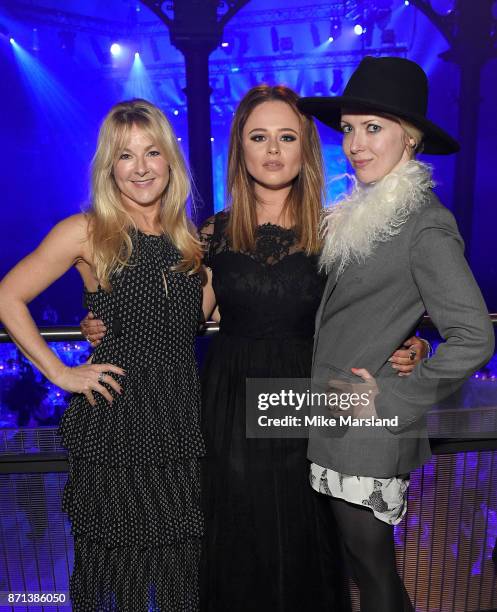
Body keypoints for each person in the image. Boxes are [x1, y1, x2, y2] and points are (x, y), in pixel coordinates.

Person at [82, 86, 427, 611]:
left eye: (286, 137)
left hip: (311, 401)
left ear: (305, 148)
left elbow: (377, 310)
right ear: (239, 148)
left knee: (309, 536)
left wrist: (414, 344)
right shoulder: (210, 234)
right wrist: (105, 320)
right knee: (240, 540)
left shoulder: (339, 230)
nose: (272, 150)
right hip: (230, 402)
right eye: (258, 137)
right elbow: (183, 316)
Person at [297, 56, 495, 611]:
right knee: (368, 571)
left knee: (375, 576)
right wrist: (412, 341)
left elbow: (475, 335)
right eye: (349, 129)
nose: (356, 143)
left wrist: (396, 395)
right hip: (336, 426)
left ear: (410, 140)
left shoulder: (424, 222)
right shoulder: (370, 212)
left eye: (374, 128)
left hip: (369, 432)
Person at [0, 99, 205, 611]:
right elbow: (8, 296)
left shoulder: (191, 241)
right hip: (117, 419)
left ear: (169, 161)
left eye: (152, 152)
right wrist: (61, 373)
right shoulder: (87, 231)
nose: (140, 167)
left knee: (181, 564)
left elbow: (195, 318)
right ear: (109, 168)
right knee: (118, 567)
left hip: (178, 419)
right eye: (125, 156)